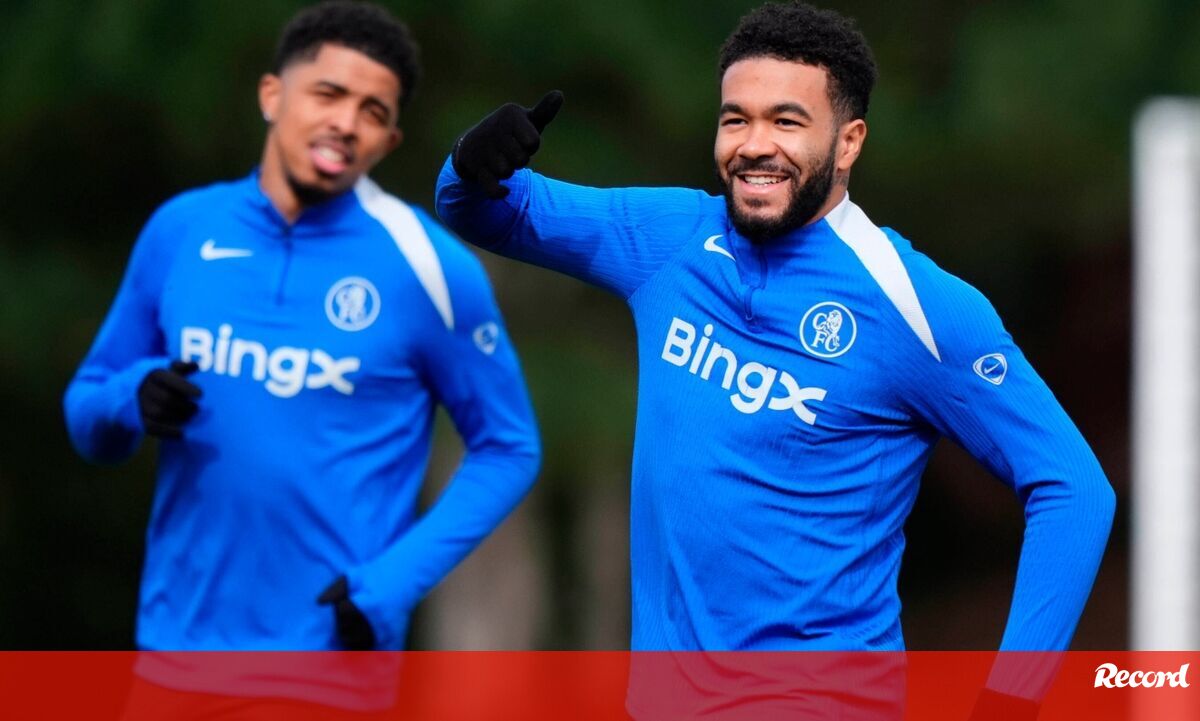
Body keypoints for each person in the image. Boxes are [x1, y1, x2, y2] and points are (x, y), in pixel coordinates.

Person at [437, 1, 1114, 717]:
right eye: (736, 119)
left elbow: (1074, 487)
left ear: (848, 143)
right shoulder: (670, 239)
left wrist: (1012, 697)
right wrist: (471, 162)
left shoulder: (918, 305)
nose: (755, 145)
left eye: (787, 121)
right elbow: (489, 210)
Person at [63, 0, 540, 712]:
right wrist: (131, 398)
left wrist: (391, 585)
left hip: (327, 676)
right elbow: (87, 411)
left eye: (372, 112)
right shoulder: (181, 229)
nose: (346, 122)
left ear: (389, 140)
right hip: (174, 664)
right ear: (271, 95)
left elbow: (509, 446)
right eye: (328, 93)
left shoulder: (429, 267)